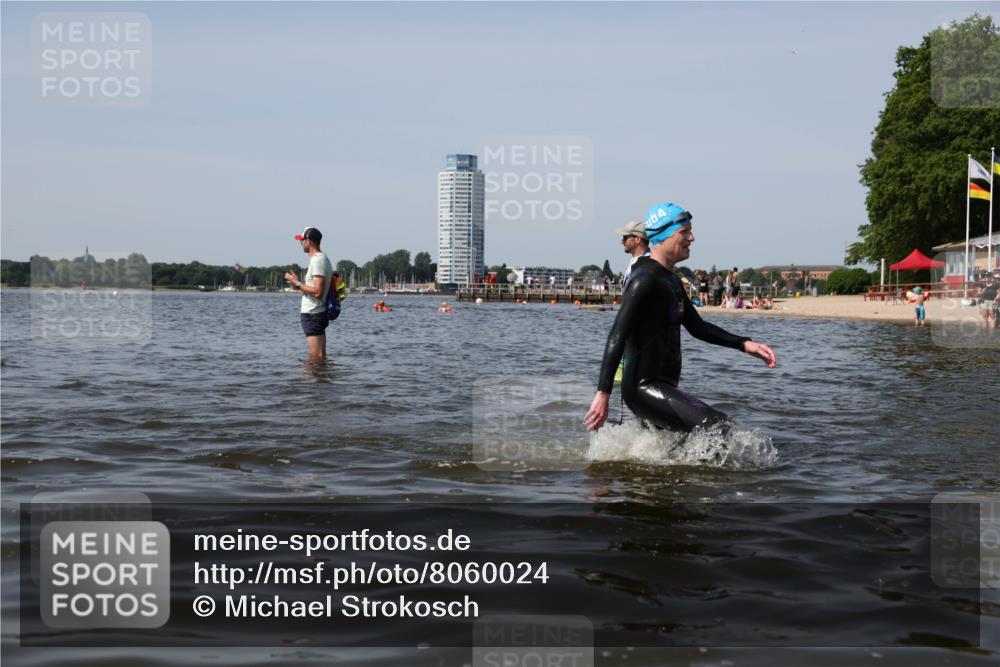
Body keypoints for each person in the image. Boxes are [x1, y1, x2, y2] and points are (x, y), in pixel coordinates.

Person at [583, 202, 776, 434]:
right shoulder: (645, 278)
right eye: (684, 232)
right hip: (643, 388)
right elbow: (617, 334)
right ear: (663, 235)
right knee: (718, 427)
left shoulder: (670, 279)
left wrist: (744, 344)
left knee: (689, 441)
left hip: (662, 386)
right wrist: (603, 393)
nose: (692, 238)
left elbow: (697, 326)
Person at [284, 227, 333, 362]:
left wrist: (298, 283)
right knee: (320, 356)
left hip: (313, 313)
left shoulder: (317, 260)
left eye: (302, 240)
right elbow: (315, 289)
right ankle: (322, 375)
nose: (301, 243)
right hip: (316, 313)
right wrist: (298, 286)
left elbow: (318, 292)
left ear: (309, 241)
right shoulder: (321, 258)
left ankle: (314, 376)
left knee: (315, 357)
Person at [617, 219, 650, 287]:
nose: (622, 242)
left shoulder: (647, 265)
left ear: (637, 239)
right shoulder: (640, 261)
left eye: (625, 238)